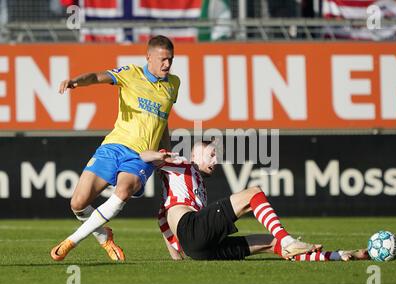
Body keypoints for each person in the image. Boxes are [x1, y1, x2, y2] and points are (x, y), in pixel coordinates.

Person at [50, 35, 180, 262]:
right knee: (78, 203)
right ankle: (104, 237)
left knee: (123, 191)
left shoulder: (173, 84)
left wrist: (165, 157)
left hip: (141, 156)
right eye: (163, 60)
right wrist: (77, 81)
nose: (167, 65)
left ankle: (72, 240)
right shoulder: (131, 73)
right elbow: (97, 77)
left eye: (170, 59)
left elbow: (163, 121)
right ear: (148, 57)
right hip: (113, 146)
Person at [140, 141, 368, 262]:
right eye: (211, 155)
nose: (216, 160)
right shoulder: (180, 165)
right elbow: (142, 157)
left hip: (199, 249)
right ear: (194, 156)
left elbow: (163, 218)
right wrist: (159, 156)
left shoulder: (190, 185)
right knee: (253, 193)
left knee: (270, 243)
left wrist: (177, 257)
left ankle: (339, 255)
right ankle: (288, 240)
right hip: (193, 231)